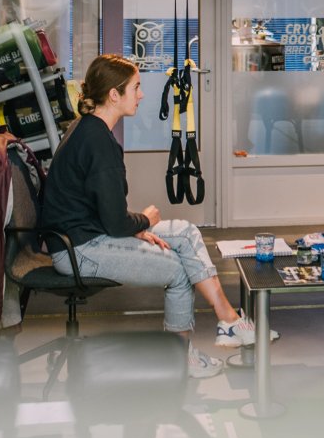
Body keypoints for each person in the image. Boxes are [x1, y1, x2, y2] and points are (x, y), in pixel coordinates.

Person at [40, 53, 273, 379]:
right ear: (114, 95)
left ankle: (228, 319)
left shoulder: (89, 129)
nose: (142, 94)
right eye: (136, 87)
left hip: (85, 234)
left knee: (186, 232)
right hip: (78, 249)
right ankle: (180, 359)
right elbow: (116, 222)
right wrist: (144, 221)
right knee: (178, 270)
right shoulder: (98, 142)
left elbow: (104, 211)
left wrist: (134, 225)